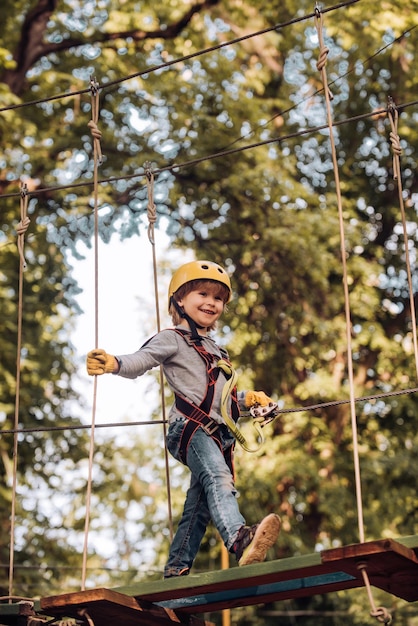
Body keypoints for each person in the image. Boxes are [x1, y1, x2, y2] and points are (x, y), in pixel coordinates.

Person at [86, 260, 281, 578]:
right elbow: (142, 360)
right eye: (202, 293)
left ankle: (176, 567)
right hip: (189, 428)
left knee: (200, 504)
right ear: (179, 300)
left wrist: (251, 399)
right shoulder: (172, 338)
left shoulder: (217, 351)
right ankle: (239, 538)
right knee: (219, 479)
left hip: (217, 432)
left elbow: (223, 400)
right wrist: (113, 363)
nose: (211, 303)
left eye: (218, 298)